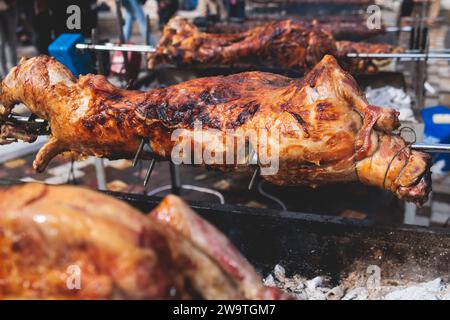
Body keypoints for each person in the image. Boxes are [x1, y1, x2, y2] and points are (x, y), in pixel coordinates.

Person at [0, 0, 17, 77]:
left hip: (11, 8)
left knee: (11, 43)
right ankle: (3, 76)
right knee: (0, 43)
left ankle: (14, 74)